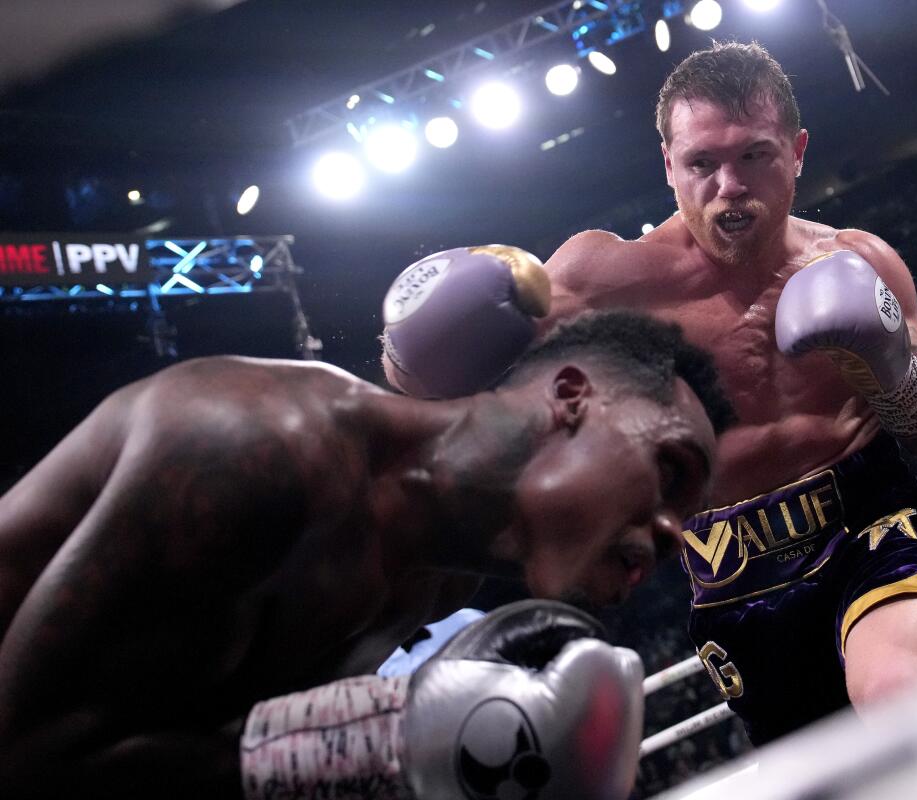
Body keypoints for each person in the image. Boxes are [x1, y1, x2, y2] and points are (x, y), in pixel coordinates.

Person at [380, 44, 917, 746]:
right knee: (828, 765)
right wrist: (417, 347)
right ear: (668, 166)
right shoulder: (604, 280)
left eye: (754, 156)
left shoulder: (857, 262)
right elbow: (437, 391)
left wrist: (895, 373)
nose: (729, 186)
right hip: (731, 583)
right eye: (702, 164)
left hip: (874, 526)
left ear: (798, 151)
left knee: (902, 699)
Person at [0, 294, 734, 798]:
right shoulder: (255, 448)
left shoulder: (439, 580)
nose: (674, 532)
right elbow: (26, 759)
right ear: (570, 395)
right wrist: (383, 746)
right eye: (669, 471)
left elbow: (198, 752)